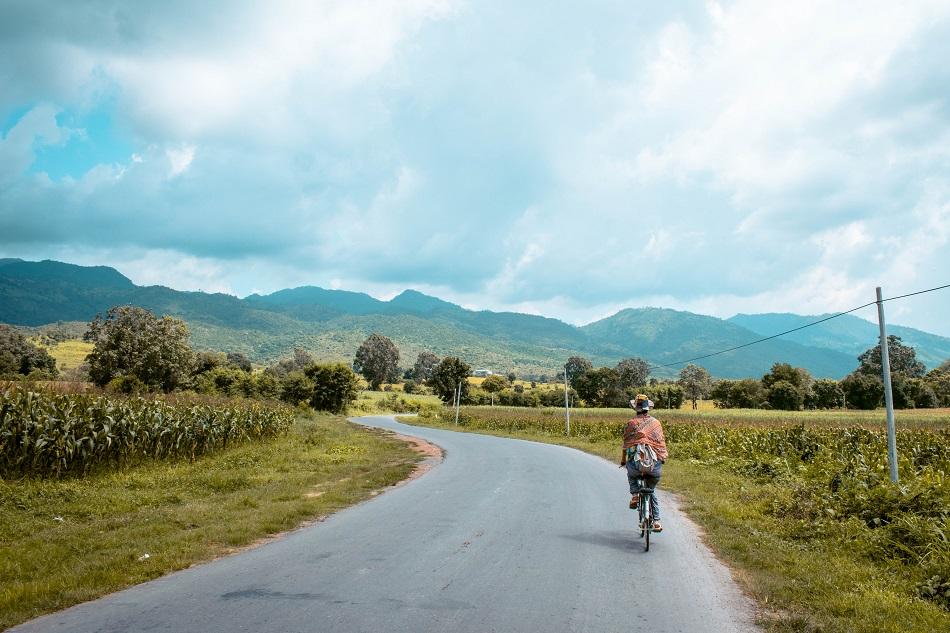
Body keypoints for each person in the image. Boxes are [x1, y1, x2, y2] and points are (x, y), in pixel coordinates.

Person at [619, 394, 668, 532]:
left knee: (631, 474)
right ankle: (657, 521)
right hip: (654, 467)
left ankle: (635, 495)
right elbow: (661, 445)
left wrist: (624, 461)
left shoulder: (631, 423)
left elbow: (626, 446)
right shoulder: (656, 423)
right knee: (651, 490)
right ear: (648, 408)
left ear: (636, 408)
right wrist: (661, 459)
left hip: (636, 466)